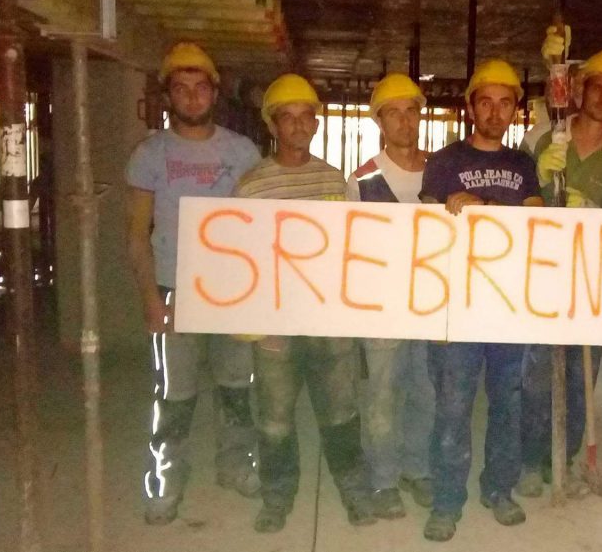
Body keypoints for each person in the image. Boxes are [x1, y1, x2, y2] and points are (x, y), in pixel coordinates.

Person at [125, 42, 261, 525]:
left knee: (237, 387)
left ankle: (236, 465)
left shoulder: (242, 152)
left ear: (215, 93)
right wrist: (150, 298)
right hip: (173, 291)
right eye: (180, 89)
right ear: (168, 96)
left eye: (200, 87)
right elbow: (136, 234)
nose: (191, 96)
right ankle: (165, 480)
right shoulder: (151, 154)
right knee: (173, 395)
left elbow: (260, 226)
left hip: (231, 293)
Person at [234, 73, 375, 533]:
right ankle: (277, 497)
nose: (297, 125)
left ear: (316, 123)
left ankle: (354, 492)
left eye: (305, 117)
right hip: (275, 328)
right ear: (272, 125)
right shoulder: (252, 185)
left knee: (341, 412)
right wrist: (253, 324)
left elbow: (349, 250)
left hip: (327, 323)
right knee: (274, 420)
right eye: (287, 117)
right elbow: (241, 260)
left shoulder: (333, 179)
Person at [418, 59, 542, 542]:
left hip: (509, 305)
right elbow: (426, 225)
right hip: (457, 306)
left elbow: (535, 221)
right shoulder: (444, 162)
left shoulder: (523, 165)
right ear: (470, 107)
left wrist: (484, 208)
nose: (495, 112)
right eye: (485, 102)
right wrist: (450, 207)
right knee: (453, 405)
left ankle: (499, 489)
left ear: (515, 111)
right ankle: (447, 501)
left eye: (505, 103)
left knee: (507, 403)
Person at [517, 42, 602, 500]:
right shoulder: (542, 138)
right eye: (596, 87)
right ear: (580, 89)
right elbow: (514, 201)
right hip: (540, 275)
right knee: (536, 375)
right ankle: (532, 460)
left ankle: (563, 459)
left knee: (580, 376)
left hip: (590, 281)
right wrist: (542, 180)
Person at [347, 73, 435, 519]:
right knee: (381, 395)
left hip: (432, 306)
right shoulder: (362, 180)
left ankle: (416, 469)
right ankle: (383, 479)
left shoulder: (442, 170)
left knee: (426, 392)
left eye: (411, 111)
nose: (404, 121)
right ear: (379, 121)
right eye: (393, 113)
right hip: (381, 309)